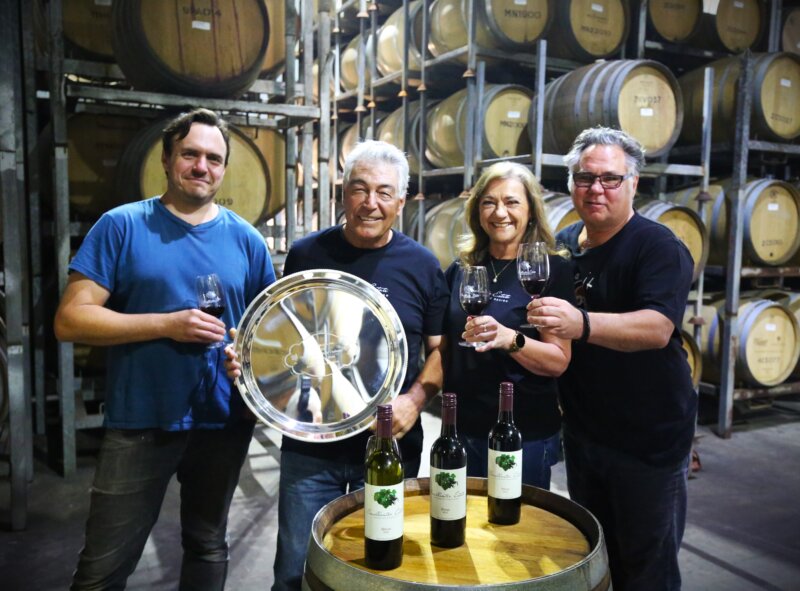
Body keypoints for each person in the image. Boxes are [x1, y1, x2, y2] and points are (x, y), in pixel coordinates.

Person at [54, 108, 276, 590]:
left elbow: (269, 334)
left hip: (222, 420)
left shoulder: (247, 240)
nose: (202, 167)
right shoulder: (122, 226)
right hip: (142, 419)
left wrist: (250, 359)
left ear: (224, 167)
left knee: (207, 543)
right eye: (190, 154)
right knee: (103, 565)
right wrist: (164, 324)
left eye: (214, 159)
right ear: (167, 158)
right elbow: (70, 319)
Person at [226, 140, 449, 591]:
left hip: (388, 446)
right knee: (295, 568)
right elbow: (285, 337)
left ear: (401, 202)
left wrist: (416, 398)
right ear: (342, 194)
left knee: (383, 565)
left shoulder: (422, 265)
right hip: (312, 445)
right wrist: (255, 368)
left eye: (385, 193)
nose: (371, 203)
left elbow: (442, 350)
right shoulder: (307, 254)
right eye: (360, 189)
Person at [528, 126, 697, 590]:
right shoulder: (563, 244)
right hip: (585, 435)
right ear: (570, 184)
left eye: (610, 178)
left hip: (648, 441)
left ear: (633, 183)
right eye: (585, 178)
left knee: (646, 568)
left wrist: (581, 323)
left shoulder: (658, 246)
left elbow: (657, 328)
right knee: (597, 558)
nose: (596, 188)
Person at [442, 162, 572, 488]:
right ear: (477, 210)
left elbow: (558, 361)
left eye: (512, 202)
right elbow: (443, 345)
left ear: (531, 210)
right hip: (462, 427)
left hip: (523, 432)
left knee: (515, 532)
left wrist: (509, 339)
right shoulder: (462, 269)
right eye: (489, 202)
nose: (500, 212)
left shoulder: (549, 271)